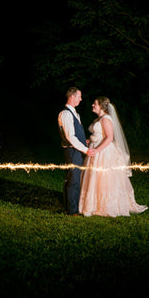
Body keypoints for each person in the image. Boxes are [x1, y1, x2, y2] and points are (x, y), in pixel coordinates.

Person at [79, 97, 148, 217]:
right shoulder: (99, 119)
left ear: (101, 106)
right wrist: (90, 141)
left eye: (95, 104)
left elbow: (109, 137)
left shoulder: (106, 119)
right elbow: (100, 135)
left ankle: (106, 204)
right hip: (95, 149)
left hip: (103, 152)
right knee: (95, 177)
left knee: (104, 179)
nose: (92, 105)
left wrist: (96, 150)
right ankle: (93, 203)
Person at [58, 87, 97, 215]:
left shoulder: (74, 113)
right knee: (74, 179)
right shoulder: (65, 114)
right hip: (72, 151)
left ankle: (68, 204)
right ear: (72, 97)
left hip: (76, 149)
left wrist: (84, 141)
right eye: (79, 96)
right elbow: (70, 137)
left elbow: (75, 134)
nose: (81, 99)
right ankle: (72, 210)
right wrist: (86, 150)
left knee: (73, 177)